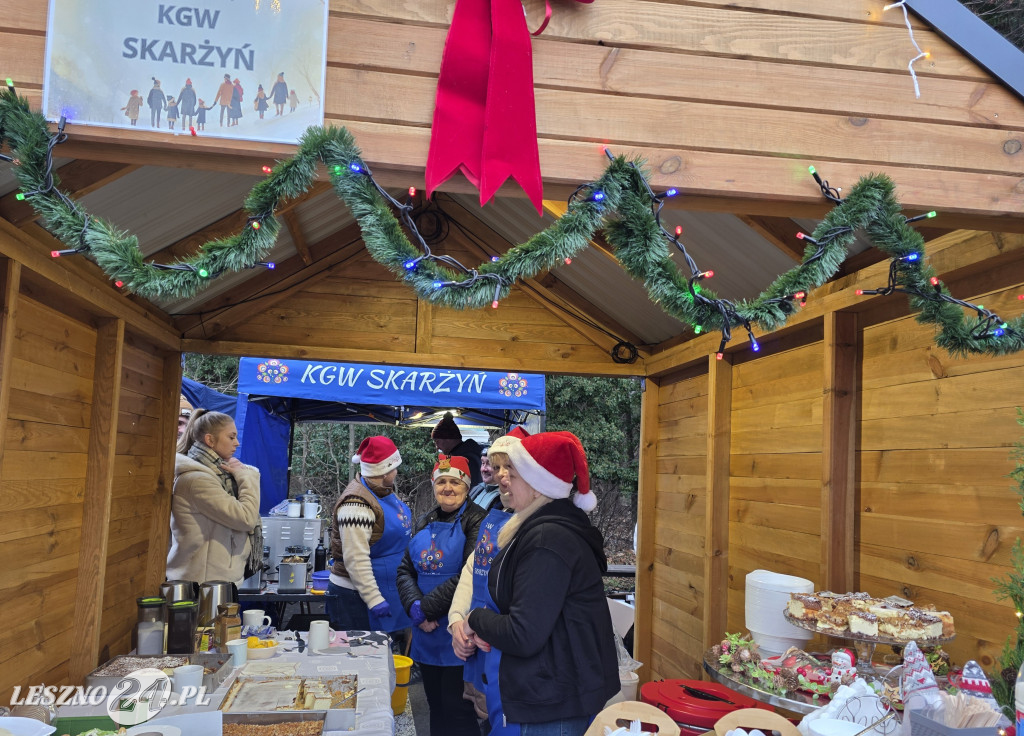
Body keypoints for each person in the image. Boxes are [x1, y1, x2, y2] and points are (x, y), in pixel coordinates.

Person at [459, 431, 619, 736]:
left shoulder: (548, 539)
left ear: (538, 485)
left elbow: (523, 633)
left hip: (551, 706)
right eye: (502, 471)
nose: (503, 478)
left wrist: (475, 619)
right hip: (550, 692)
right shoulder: (541, 526)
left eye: (514, 473)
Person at [448, 426, 529, 735]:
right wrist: (456, 621)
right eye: (498, 468)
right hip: (477, 644)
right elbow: (473, 569)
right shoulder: (494, 510)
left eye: (511, 467)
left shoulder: (536, 524)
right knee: (483, 718)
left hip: (507, 654)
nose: (502, 476)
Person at [397, 455, 485, 735]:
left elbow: (467, 576)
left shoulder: (478, 520)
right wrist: (414, 608)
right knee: (435, 705)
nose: (447, 488)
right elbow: (404, 570)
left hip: (458, 632)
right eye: (441, 481)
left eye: (455, 482)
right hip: (426, 633)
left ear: (467, 486)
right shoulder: (424, 520)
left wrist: (427, 609)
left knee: (459, 709)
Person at [326, 436, 413, 634]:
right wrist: (374, 599)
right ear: (383, 471)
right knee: (360, 658)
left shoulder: (382, 492)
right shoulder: (356, 504)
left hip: (386, 589)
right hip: (356, 597)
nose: (396, 472)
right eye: (394, 467)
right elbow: (355, 559)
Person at [167, 409, 261, 584]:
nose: (237, 443)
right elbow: (246, 518)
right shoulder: (197, 480)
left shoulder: (215, 474)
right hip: (202, 584)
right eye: (231, 437)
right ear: (210, 440)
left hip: (212, 579)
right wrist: (248, 477)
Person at [432, 412, 483, 488]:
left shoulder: (465, 460)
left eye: (437, 442)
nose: (437, 447)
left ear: (448, 439)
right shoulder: (475, 453)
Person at [468, 445, 501, 512]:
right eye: (483, 463)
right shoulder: (477, 488)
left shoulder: (504, 497)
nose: (483, 469)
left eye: (489, 464)